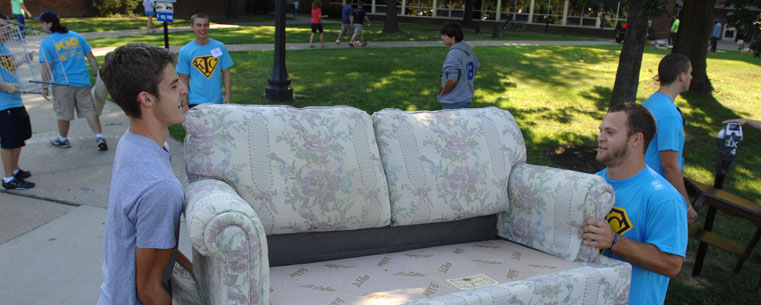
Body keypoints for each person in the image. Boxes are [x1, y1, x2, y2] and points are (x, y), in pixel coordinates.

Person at [98, 42, 195, 305]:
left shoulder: (133, 143)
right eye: (174, 86)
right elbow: (149, 291)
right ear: (147, 99)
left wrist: (196, 274)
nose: (184, 90)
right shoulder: (160, 189)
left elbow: (155, 244)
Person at [581, 102, 688, 305]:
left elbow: (672, 264)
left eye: (610, 132)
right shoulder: (590, 184)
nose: (600, 138)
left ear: (636, 140)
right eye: (601, 131)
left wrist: (614, 241)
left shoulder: (664, 198)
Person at [38, 10, 107, 151]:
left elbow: (46, 68)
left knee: (63, 113)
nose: (40, 26)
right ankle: (99, 136)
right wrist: (96, 75)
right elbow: (91, 58)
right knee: (89, 110)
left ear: (49, 24)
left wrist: (44, 87)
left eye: (42, 23)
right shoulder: (76, 37)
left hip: (62, 84)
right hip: (82, 81)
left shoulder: (47, 43)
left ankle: (63, 139)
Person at [642, 53, 698, 224]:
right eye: (690, 73)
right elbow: (670, 166)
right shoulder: (669, 115)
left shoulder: (650, 102)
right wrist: (686, 206)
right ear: (682, 76)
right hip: (655, 193)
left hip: (642, 185)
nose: (691, 77)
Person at [0, 13, 34, 190]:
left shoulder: (4, 47)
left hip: (15, 100)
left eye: (6, 26)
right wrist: (5, 86)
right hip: (3, 103)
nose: (6, 30)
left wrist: (24, 59)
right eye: (2, 26)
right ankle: (8, 179)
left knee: (19, 138)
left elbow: (8, 68)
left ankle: (14, 170)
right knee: (8, 141)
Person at [176, 13, 234, 108]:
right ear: (192, 27)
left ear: (209, 26)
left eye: (205, 25)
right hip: (195, 101)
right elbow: (183, 79)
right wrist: (185, 103)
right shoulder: (185, 51)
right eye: (199, 25)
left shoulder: (219, 47)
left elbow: (226, 72)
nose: (202, 28)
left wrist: (228, 96)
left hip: (217, 101)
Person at [438, 22, 479, 110]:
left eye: (444, 35)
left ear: (453, 37)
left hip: (454, 101)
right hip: (466, 98)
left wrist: (442, 93)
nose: (442, 37)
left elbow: (452, 80)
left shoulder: (454, 54)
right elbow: (475, 67)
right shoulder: (468, 49)